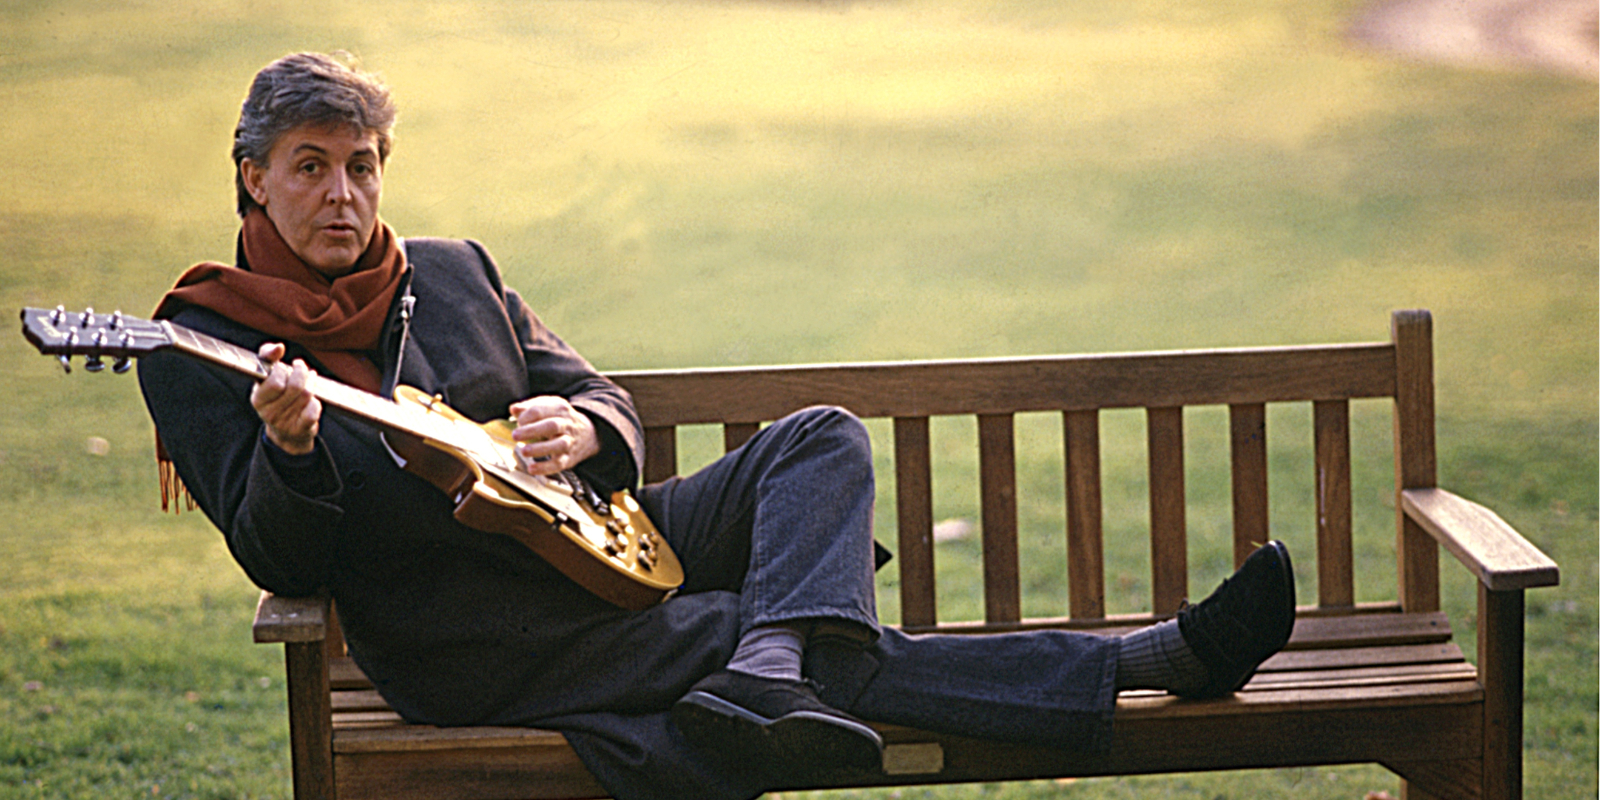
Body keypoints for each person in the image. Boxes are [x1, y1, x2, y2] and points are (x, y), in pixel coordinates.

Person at [138, 52, 1297, 800]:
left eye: (362, 167)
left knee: (820, 436)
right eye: (311, 168)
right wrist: (291, 446)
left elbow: (600, 395)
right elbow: (278, 555)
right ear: (252, 180)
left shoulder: (450, 269)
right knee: (787, 629)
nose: (344, 194)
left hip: (596, 532)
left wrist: (580, 431)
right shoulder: (206, 339)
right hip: (479, 634)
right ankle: (1148, 662)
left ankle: (770, 663)